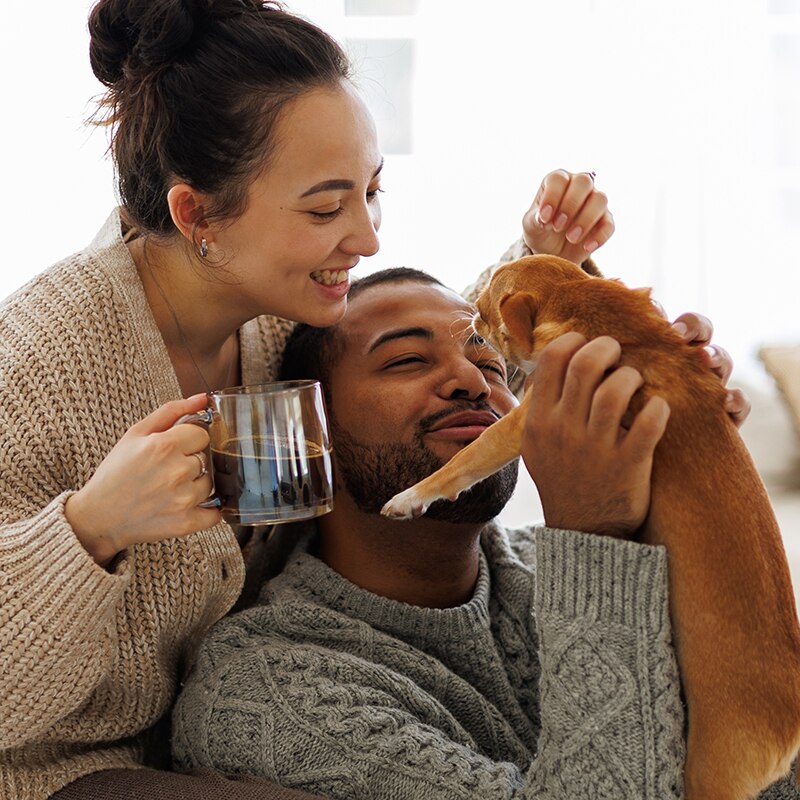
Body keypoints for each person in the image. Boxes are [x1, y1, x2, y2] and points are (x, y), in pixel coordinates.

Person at [0, 1, 629, 799]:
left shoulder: (272, 305)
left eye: (373, 192)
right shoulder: (43, 361)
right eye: (327, 208)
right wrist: (91, 529)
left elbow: (391, 367)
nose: (367, 238)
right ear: (196, 214)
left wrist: (539, 263)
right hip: (70, 773)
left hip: (237, 723)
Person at [169, 267, 786, 799]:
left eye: (489, 361)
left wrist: (692, 482)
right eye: (407, 359)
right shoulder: (267, 693)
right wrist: (593, 539)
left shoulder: (549, 570)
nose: (472, 382)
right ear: (309, 430)